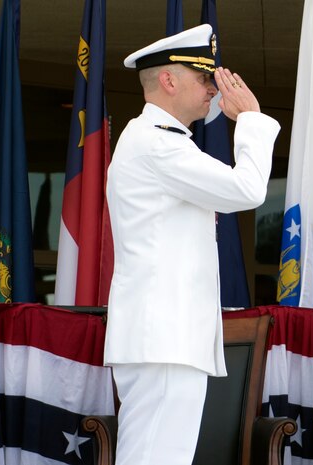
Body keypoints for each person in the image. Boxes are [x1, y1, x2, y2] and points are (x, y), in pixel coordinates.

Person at [103, 24, 280, 465]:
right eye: (203, 78)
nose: (212, 90)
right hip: (163, 336)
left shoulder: (164, 141)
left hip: (168, 335)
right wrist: (253, 121)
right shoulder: (157, 144)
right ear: (168, 81)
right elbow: (248, 190)